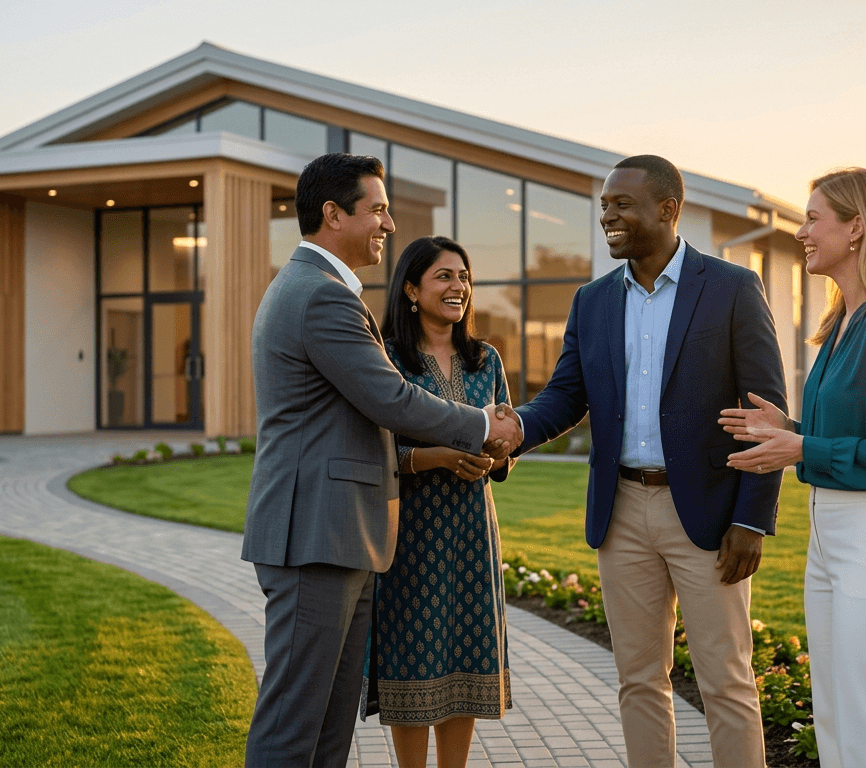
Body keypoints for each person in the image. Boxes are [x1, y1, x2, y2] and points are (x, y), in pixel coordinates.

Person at [503, 155, 787, 767]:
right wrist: (511, 427)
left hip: (710, 512)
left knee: (726, 683)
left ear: (668, 209)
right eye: (604, 205)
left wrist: (753, 518)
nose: (608, 215)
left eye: (622, 204)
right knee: (638, 680)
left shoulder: (733, 288)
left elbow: (768, 411)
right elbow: (565, 396)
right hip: (622, 511)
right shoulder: (592, 300)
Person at [241, 153, 522, 768]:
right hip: (315, 533)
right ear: (333, 214)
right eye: (378, 209)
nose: (389, 224)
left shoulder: (321, 289)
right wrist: (483, 423)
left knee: (327, 721)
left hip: (341, 534)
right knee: (294, 723)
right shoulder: (320, 297)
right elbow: (390, 398)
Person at [720, 167, 866, 768]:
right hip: (833, 541)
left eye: (814, 217)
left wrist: (803, 450)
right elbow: (851, 436)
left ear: (858, 228)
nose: (802, 231)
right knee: (837, 721)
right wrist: (790, 432)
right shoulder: (843, 322)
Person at [364, 236, 514, 768]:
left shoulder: (485, 359)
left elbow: (506, 446)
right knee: (415, 660)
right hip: (411, 536)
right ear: (411, 288)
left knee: (467, 658)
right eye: (444, 277)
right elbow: (379, 452)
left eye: (464, 277)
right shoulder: (386, 359)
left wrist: (494, 455)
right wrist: (440, 458)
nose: (459, 288)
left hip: (474, 533)